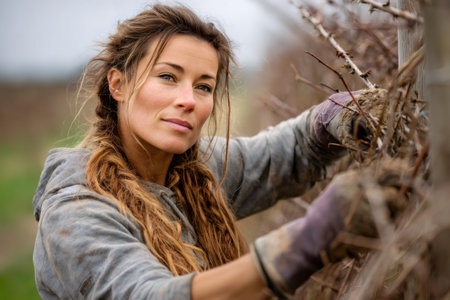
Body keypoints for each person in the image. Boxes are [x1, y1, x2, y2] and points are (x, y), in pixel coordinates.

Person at [32, 4, 388, 299]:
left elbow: (282, 154)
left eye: (203, 86)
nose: (188, 100)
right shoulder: (75, 212)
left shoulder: (194, 172)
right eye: (168, 77)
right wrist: (301, 246)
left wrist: (330, 118)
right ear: (118, 85)